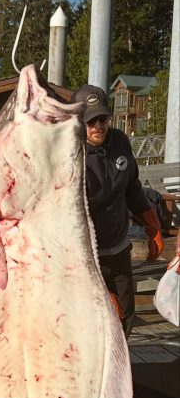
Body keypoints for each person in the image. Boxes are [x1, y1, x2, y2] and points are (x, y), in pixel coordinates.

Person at [70, 84, 164, 337]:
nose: (98, 126)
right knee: (93, 324)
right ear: (77, 123)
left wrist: (152, 225)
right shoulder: (68, 155)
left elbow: (132, 188)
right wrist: (99, 290)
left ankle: (122, 372)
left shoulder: (120, 141)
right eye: (90, 121)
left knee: (125, 317)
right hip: (84, 256)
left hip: (119, 249)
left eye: (102, 118)